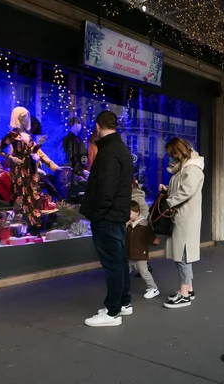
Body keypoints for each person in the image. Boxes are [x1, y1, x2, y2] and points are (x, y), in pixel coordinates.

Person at [80, 111, 134, 327]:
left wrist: (98, 215)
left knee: (113, 264)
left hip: (108, 218)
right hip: (116, 216)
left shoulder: (109, 152)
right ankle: (123, 303)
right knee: (119, 262)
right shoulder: (121, 149)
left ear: (97, 125)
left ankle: (113, 313)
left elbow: (106, 190)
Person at [159, 138, 204, 309]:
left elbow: (186, 191)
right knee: (183, 255)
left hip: (185, 218)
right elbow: (182, 189)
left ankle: (184, 292)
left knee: (183, 256)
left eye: (172, 155)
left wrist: (169, 201)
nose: (170, 158)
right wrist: (167, 190)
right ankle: (188, 289)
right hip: (182, 217)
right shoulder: (186, 168)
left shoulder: (192, 169)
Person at [0, 107, 49, 235]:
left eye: (26, 117)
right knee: (20, 196)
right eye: (23, 117)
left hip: (30, 169)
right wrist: (11, 157)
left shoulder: (28, 135)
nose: (26, 119)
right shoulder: (13, 134)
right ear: (18, 118)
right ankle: (20, 227)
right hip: (19, 169)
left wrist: (39, 144)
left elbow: (32, 151)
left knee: (33, 195)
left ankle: (34, 226)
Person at [127, 201, 160, 299]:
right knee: (125, 270)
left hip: (141, 253)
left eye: (129, 213)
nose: (127, 215)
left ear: (137, 212)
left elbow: (149, 235)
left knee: (143, 271)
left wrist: (153, 240)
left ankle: (153, 288)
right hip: (129, 252)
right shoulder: (128, 224)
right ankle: (121, 288)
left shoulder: (144, 225)